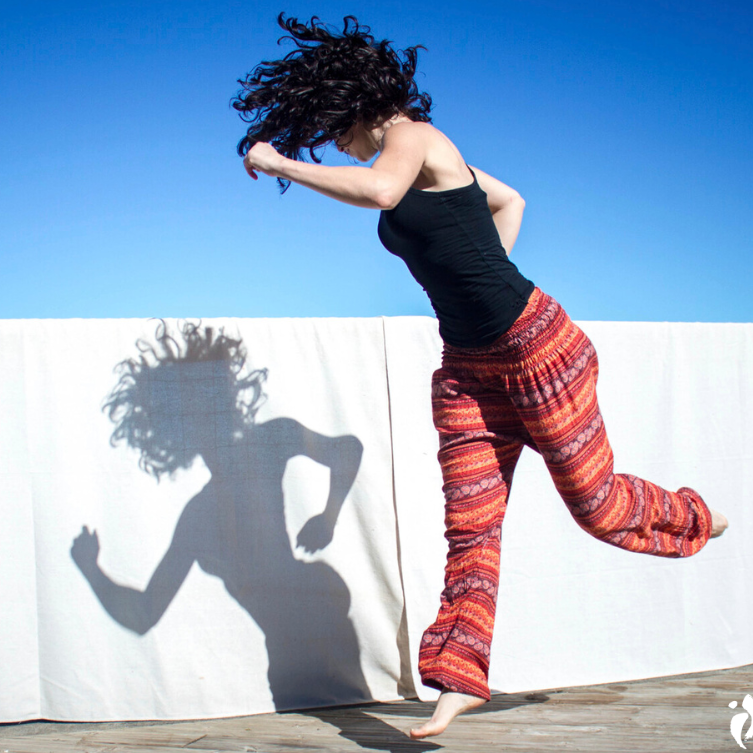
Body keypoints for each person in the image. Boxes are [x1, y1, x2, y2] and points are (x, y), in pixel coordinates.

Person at [234, 13, 729, 738]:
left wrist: (281, 165)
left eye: (331, 127)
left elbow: (380, 193)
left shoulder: (411, 136)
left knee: (596, 508)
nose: (331, 143)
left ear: (353, 104)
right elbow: (509, 200)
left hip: (538, 349)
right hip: (467, 371)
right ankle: (457, 680)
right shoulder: (417, 156)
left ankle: (695, 516)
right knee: (470, 526)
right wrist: (483, 274)